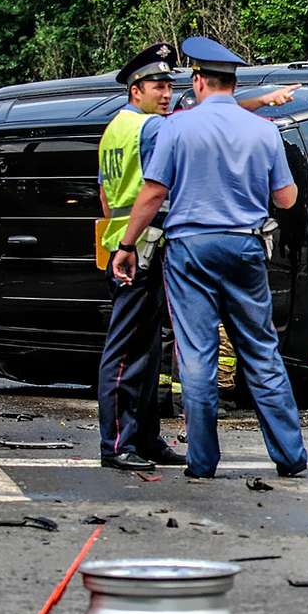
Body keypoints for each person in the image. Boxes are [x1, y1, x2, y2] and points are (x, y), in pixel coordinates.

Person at [112, 36, 308, 478]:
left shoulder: (176, 128)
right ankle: (290, 456)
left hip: (191, 251)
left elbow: (154, 191)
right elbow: (287, 197)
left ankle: (202, 461)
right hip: (245, 247)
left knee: (196, 355)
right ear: (232, 84)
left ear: (198, 81)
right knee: (260, 350)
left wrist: (127, 246)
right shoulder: (264, 131)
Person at [95, 43, 187, 471]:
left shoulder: (115, 128)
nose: (166, 93)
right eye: (158, 86)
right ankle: (116, 444)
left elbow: (104, 194)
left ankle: (145, 439)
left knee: (147, 352)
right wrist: (130, 244)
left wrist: (119, 239)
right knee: (127, 351)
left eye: (169, 85)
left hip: (124, 244)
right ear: (136, 90)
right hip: (139, 249)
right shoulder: (149, 129)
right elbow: (153, 191)